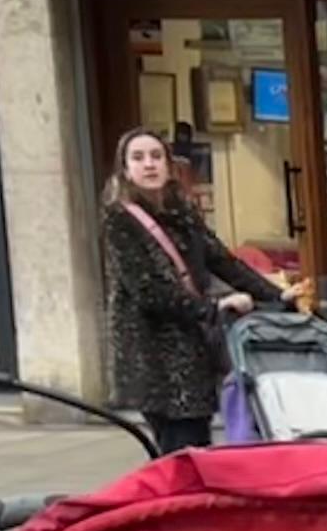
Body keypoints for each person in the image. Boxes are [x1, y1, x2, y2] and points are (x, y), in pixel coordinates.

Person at [97, 127, 286, 454]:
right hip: (154, 357)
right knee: (180, 450)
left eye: (156, 156)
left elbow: (224, 262)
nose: (149, 164)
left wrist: (276, 295)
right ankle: (172, 504)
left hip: (193, 353)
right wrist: (214, 307)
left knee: (196, 446)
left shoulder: (181, 211)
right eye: (138, 158)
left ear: (169, 165)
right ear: (125, 169)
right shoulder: (120, 222)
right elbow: (149, 291)